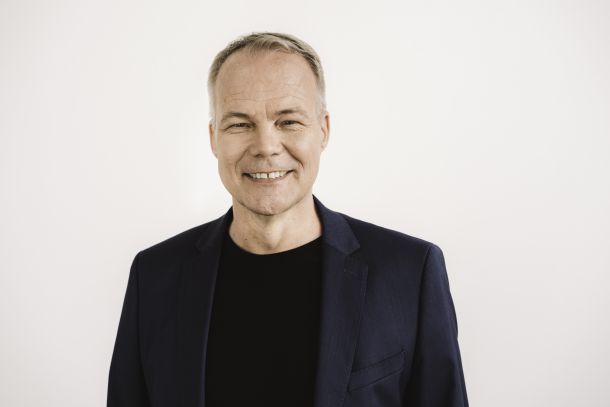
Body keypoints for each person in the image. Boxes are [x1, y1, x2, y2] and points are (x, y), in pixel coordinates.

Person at [107, 32, 469, 407]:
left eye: (289, 121)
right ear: (214, 138)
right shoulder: (155, 276)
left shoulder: (409, 272)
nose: (266, 146)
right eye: (240, 124)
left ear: (323, 130)